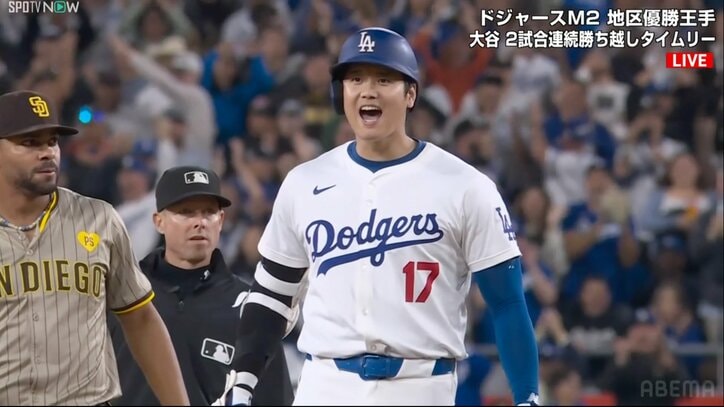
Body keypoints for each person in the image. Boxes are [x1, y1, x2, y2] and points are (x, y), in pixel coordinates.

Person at [215, 28, 539, 406]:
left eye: (384, 79)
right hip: (324, 384)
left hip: (420, 387)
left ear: (411, 94)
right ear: (342, 94)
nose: (367, 90)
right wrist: (242, 383)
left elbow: (507, 304)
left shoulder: (466, 186)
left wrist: (527, 397)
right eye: (355, 79)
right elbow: (271, 296)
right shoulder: (304, 183)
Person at [0, 90, 189, 405]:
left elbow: (141, 320)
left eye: (52, 142)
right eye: (29, 143)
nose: (47, 152)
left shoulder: (99, 219)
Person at [110, 165, 294, 406]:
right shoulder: (122, 295)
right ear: (159, 221)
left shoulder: (250, 308)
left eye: (208, 212)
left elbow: (274, 398)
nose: (200, 222)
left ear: (221, 220)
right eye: (186, 212)